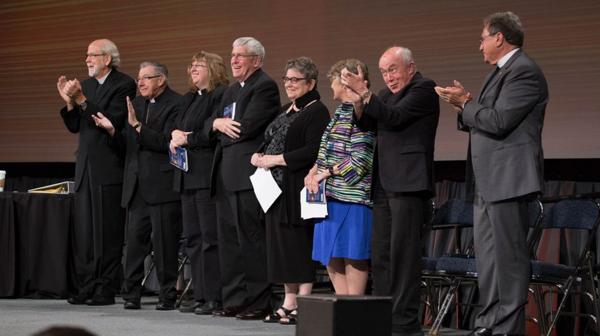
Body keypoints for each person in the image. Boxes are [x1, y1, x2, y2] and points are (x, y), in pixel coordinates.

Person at [435, 12, 547, 336]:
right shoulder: (500, 73)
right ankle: (487, 325)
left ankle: (506, 329)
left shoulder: (524, 72)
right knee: (488, 261)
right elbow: (483, 118)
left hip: (509, 180)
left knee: (508, 263)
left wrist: (466, 101)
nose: (479, 44)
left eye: (483, 37)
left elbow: (499, 121)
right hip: (488, 181)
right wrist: (463, 106)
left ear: (499, 37)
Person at [342, 47, 439, 336]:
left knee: (404, 257)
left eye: (393, 70)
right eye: (384, 72)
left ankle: (405, 323)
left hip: (409, 183)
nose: (389, 77)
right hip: (383, 183)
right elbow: (365, 124)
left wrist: (367, 94)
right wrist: (360, 100)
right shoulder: (382, 95)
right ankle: (383, 316)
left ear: (411, 67)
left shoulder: (424, 88)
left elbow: (396, 117)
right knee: (382, 254)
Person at [93, 61, 183, 310]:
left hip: (163, 185)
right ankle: (131, 293)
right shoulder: (136, 103)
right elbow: (128, 145)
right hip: (135, 185)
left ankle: (167, 295)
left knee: (165, 244)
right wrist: (113, 132)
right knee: (133, 244)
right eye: (138, 78)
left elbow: (167, 142)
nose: (139, 82)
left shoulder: (177, 103)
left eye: (146, 78)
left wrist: (137, 126)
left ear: (161, 80)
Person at [250, 57, 330, 325]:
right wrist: (259, 154)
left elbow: (312, 150)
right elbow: (270, 138)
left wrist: (274, 159)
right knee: (280, 247)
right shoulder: (287, 109)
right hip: (274, 188)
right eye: (287, 79)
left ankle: (303, 300)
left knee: (297, 244)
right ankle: (288, 300)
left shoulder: (317, 111)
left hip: (298, 185)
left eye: (295, 80)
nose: (289, 84)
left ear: (311, 82)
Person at [57, 39, 136, 305]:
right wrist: (69, 103)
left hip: (109, 167)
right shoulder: (87, 86)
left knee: (108, 232)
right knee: (86, 233)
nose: (88, 60)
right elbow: (75, 126)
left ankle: (106, 288)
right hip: (85, 168)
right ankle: (87, 285)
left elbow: (110, 121)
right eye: (86, 55)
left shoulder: (124, 84)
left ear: (108, 59)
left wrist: (80, 99)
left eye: (93, 55)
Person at [206, 37, 280, 320]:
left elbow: (246, 128)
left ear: (257, 61)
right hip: (225, 173)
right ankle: (235, 299)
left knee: (251, 241)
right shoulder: (228, 91)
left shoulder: (265, 87)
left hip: (247, 175)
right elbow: (207, 125)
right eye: (233, 55)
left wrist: (219, 126)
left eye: (241, 56)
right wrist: (216, 123)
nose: (234, 60)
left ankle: (259, 301)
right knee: (229, 243)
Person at [305, 59, 375, 297]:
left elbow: (361, 160)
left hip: (351, 199)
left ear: (344, 82)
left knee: (352, 255)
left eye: (334, 80)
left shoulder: (361, 112)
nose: (331, 85)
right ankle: (344, 312)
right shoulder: (340, 111)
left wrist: (328, 171)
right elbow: (326, 149)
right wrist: (315, 168)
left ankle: (353, 311)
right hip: (329, 197)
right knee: (330, 255)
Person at [170, 51, 229, 315]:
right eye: (191, 65)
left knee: (209, 238)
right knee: (193, 238)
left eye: (199, 65)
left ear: (213, 69)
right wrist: (174, 133)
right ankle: (200, 295)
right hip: (186, 175)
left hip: (206, 175)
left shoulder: (220, 95)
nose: (192, 69)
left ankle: (214, 296)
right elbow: (179, 125)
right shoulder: (190, 97)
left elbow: (212, 131)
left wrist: (187, 139)